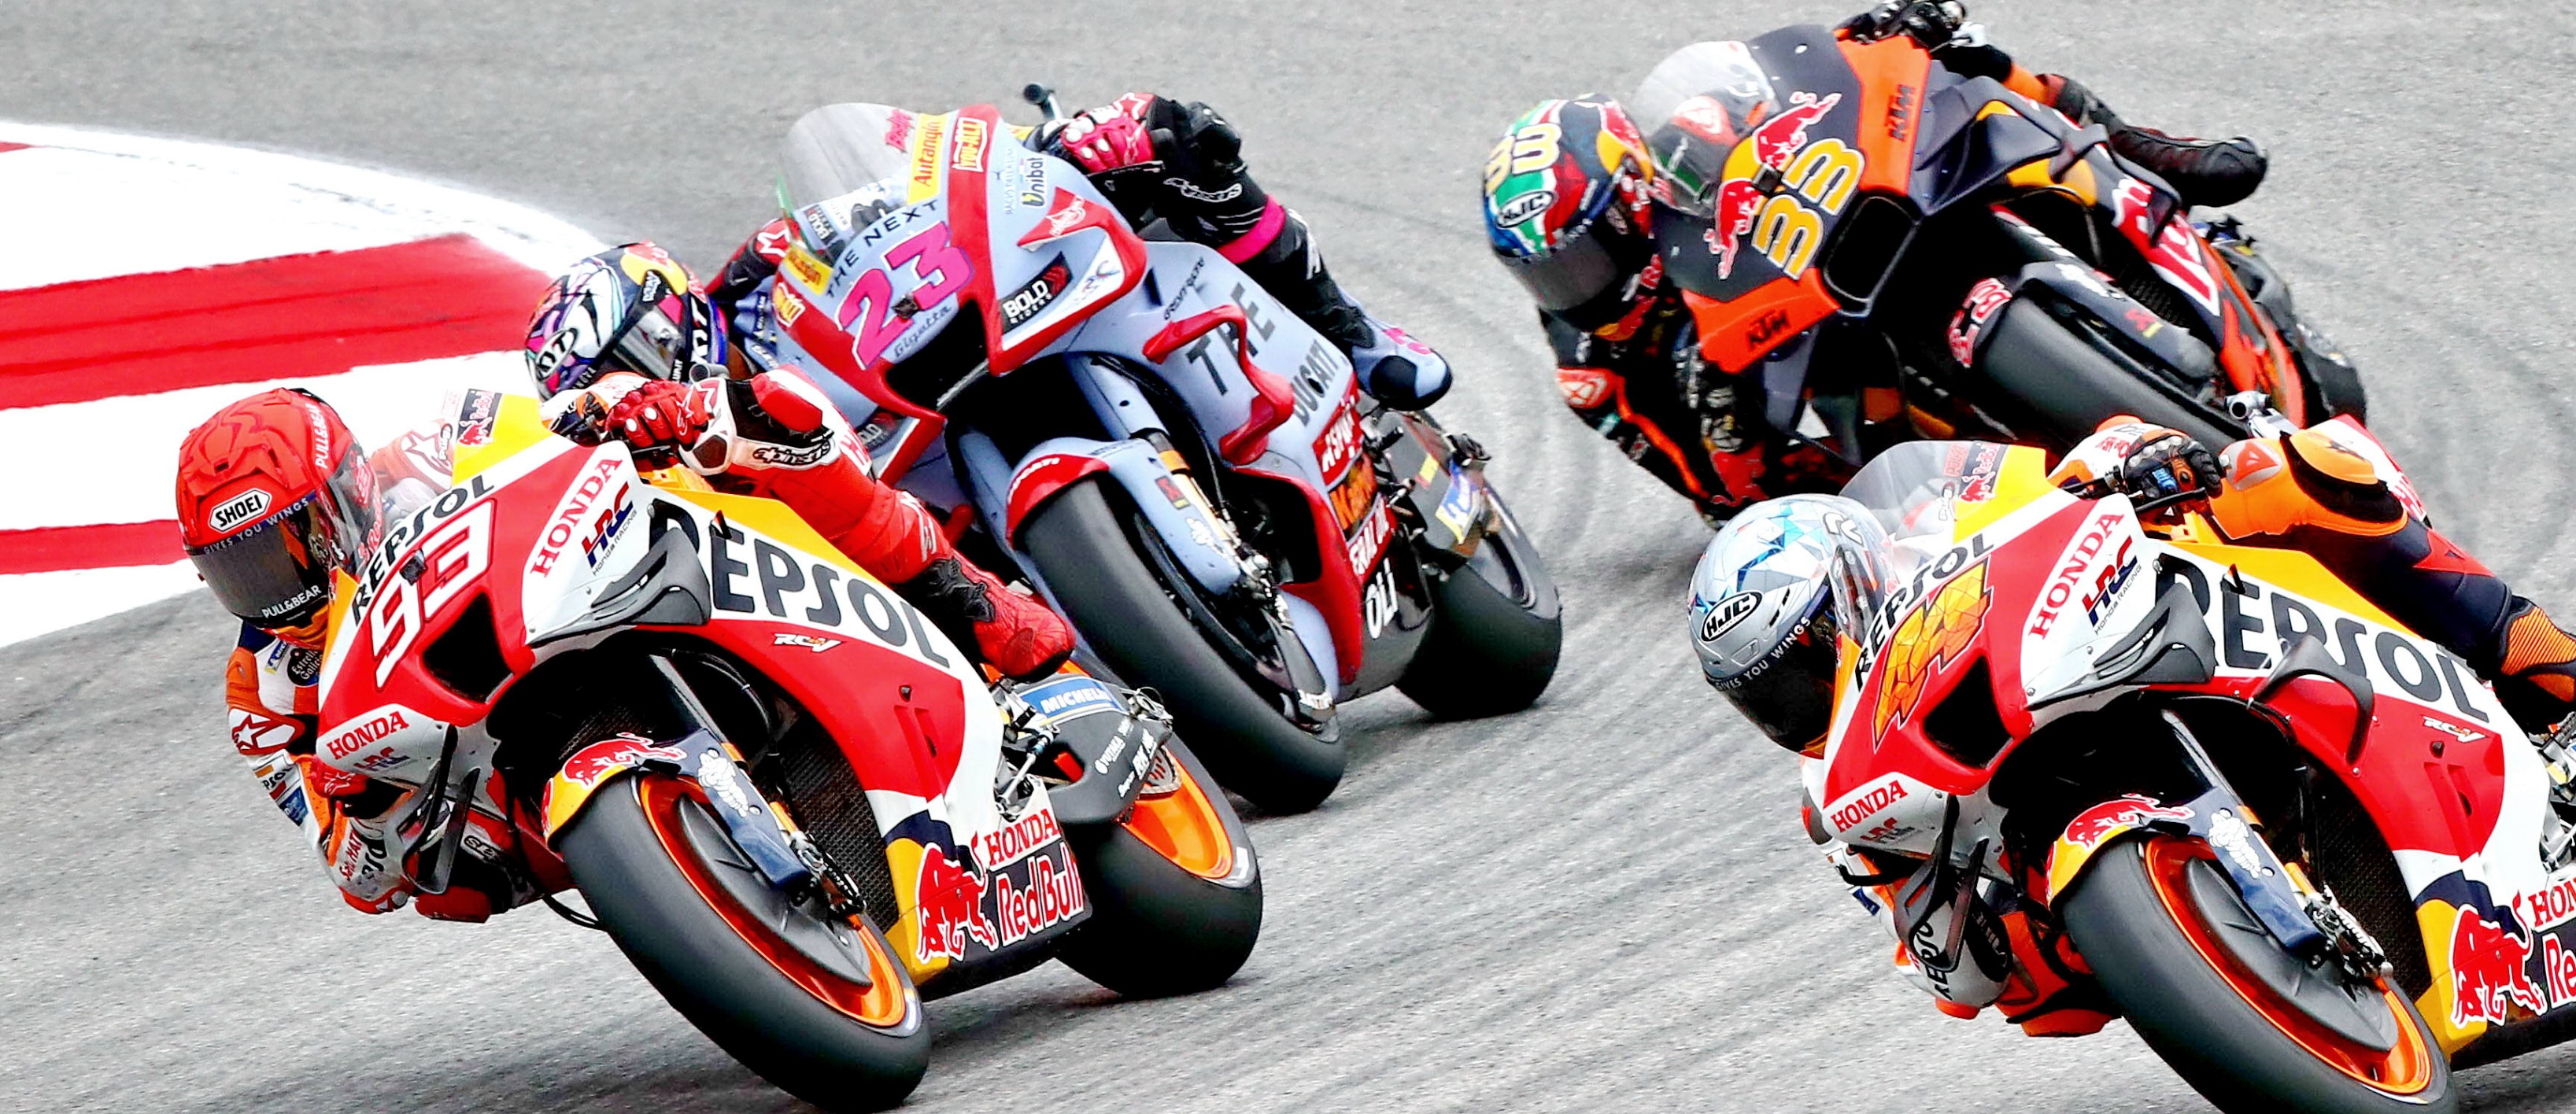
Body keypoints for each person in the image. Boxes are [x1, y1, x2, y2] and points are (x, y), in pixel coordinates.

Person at [1484, 1, 2268, 524]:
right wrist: (1726, 431)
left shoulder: (1687, 136)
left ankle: (2145, 151)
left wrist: (1870, 40)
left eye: (1583, 258)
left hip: (1828, 254)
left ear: (1632, 192)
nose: (1575, 289)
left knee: (1967, 64)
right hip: (1804, 386)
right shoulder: (1592, 368)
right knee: (1858, 504)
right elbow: (1715, 496)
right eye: (1550, 276)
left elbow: (1789, 100)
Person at [524, 242, 1075, 682]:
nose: (641, 384)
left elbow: (891, 199)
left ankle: (978, 603)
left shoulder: (761, 275)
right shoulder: (633, 463)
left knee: (787, 415)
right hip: (781, 601)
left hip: (932, 455)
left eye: (638, 355)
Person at [702, 93, 1453, 411]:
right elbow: (709, 336)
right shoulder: (744, 289)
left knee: (1172, 132)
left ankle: (1352, 334)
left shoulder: (885, 170)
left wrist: (1082, 137)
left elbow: (971, 154)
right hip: (916, 381)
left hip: (1017, 253)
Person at [177, 386, 550, 921]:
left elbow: (575, 428)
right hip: (498, 794)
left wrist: (616, 411)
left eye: (290, 551)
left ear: (348, 491)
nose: (276, 591)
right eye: (243, 573)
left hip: (561, 620)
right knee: (453, 889)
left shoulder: (432, 454)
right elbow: (360, 882)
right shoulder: (261, 696)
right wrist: (367, 807)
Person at [2058, 417, 2576, 733]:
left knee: (2279, 473)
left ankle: (2538, 655)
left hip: (2160, 584)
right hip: (2061, 695)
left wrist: (2144, 448)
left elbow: (2089, 454)